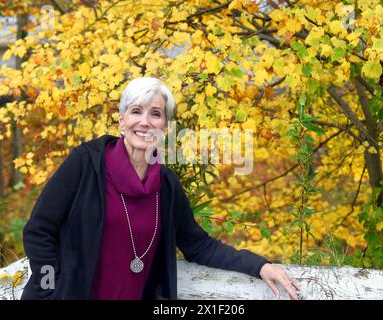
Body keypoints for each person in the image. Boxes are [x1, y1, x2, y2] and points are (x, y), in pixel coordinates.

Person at [21, 77, 301, 300]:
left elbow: (199, 245)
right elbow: (39, 230)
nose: (145, 122)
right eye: (136, 111)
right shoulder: (85, 163)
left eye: (155, 114)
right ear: (121, 120)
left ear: (165, 126)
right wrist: (49, 288)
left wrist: (260, 265)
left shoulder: (166, 186)